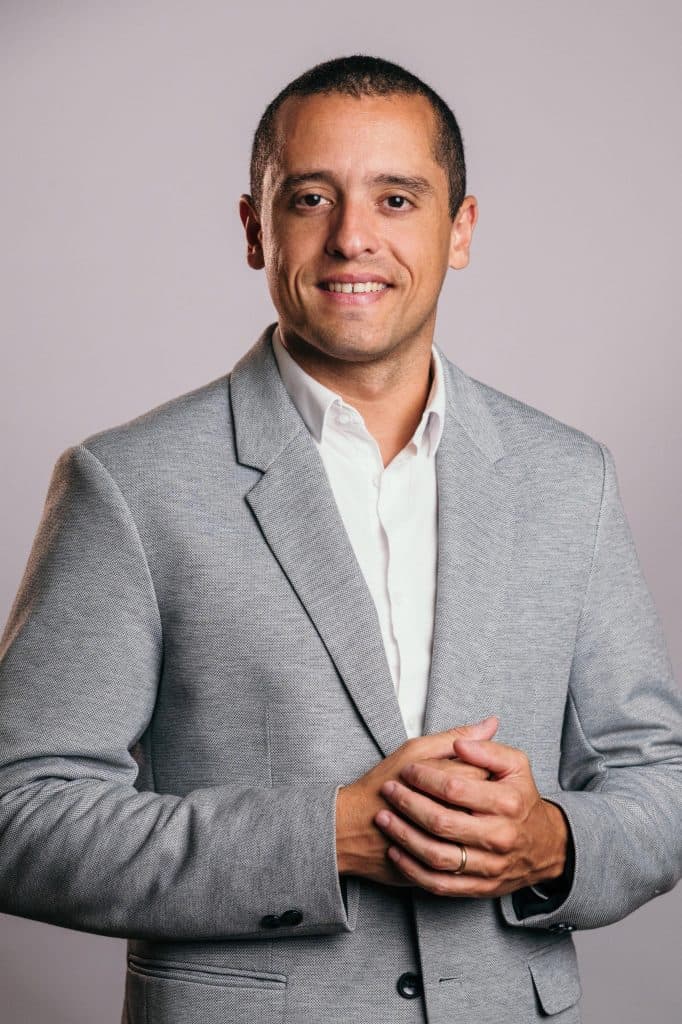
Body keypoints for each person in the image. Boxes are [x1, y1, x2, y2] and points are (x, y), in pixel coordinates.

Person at [0, 54, 680, 1024]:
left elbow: (659, 779)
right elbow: (18, 813)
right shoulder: (129, 484)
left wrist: (555, 843)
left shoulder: (569, 476)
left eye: (396, 198)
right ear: (256, 228)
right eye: (311, 197)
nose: (352, 236)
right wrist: (323, 839)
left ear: (461, 229)